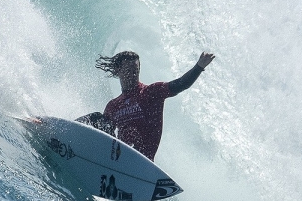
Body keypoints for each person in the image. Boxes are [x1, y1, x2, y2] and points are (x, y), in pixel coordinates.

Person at [77, 50, 215, 161]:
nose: (133, 73)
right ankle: (66, 137)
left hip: (142, 161)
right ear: (118, 70)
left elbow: (181, 84)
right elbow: (106, 137)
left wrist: (199, 67)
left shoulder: (151, 92)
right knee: (96, 119)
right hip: (118, 160)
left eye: (136, 69)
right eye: (128, 69)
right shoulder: (113, 105)